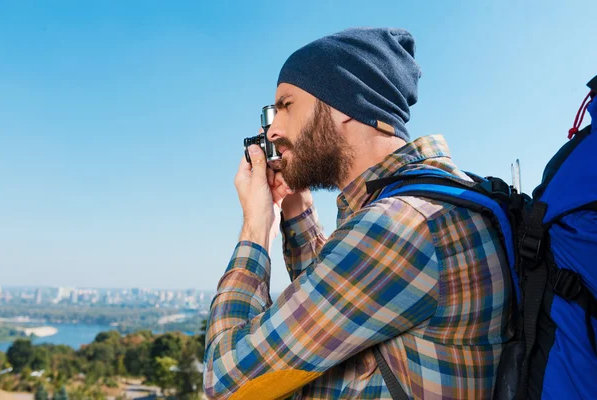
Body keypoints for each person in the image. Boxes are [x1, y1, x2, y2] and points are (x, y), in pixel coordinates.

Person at [203, 27, 513, 399]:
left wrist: (256, 226)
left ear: (346, 104)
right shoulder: (434, 200)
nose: (272, 131)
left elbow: (227, 381)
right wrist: (294, 204)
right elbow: (334, 306)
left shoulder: (399, 225)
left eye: (286, 106)